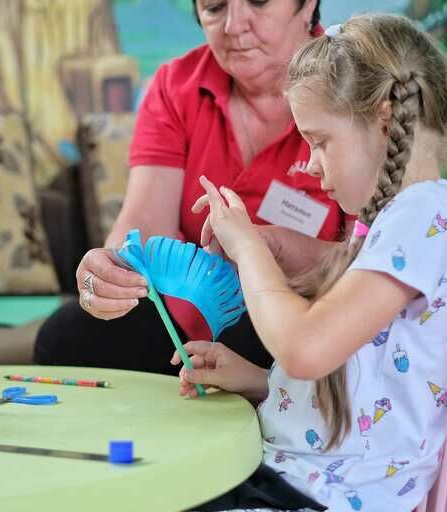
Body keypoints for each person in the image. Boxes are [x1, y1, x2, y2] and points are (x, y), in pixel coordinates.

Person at [176, 15, 447, 512]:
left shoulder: (425, 215)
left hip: (322, 505)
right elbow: (376, 379)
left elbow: (305, 349)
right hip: (305, 484)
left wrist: (249, 248)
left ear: (384, 118)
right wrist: (260, 381)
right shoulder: (415, 216)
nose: (311, 165)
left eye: (319, 141)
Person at [35, 0, 350, 376]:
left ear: (308, 4)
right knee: (64, 338)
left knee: (258, 341)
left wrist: (267, 246)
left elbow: (371, 258)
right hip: (188, 312)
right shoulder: (176, 84)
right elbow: (143, 226)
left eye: (258, 1)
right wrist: (109, 271)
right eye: (214, 7)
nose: (233, 25)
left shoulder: (352, 82)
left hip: (301, 311)